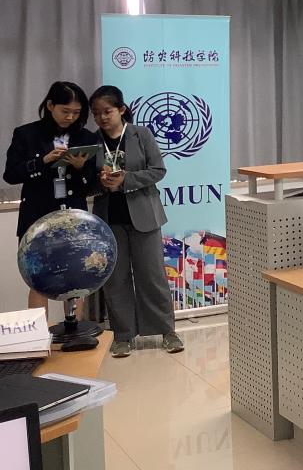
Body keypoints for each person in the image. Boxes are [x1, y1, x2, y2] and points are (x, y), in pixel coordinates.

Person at [89, 85, 183, 358]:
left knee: (152, 276)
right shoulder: (92, 142)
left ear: (121, 109)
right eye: (96, 113)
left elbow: (158, 170)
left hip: (144, 215)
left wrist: (126, 179)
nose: (102, 117)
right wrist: (101, 182)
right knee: (115, 279)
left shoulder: (141, 134)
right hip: (109, 218)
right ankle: (123, 335)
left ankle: (167, 331)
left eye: (107, 111)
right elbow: (85, 182)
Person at [4, 81, 97, 309]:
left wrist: (80, 167)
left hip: (74, 214)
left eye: (76, 113)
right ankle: (39, 331)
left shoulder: (85, 137)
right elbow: (11, 175)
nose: (70, 117)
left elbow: (91, 183)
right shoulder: (26, 134)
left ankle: (75, 328)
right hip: (38, 213)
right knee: (38, 279)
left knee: (77, 276)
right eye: (65, 111)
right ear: (50, 105)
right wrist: (42, 161)